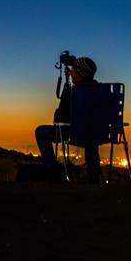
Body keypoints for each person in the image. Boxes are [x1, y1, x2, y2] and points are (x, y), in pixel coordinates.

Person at [34, 55, 102, 183]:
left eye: (74, 71)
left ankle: (52, 170)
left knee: (41, 131)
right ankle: (94, 172)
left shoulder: (74, 93)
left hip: (73, 133)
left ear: (80, 74)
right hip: (98, 133)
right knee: (91, 129)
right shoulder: (100, 91)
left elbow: (59, 117)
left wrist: (67, 89)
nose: (71, 74)